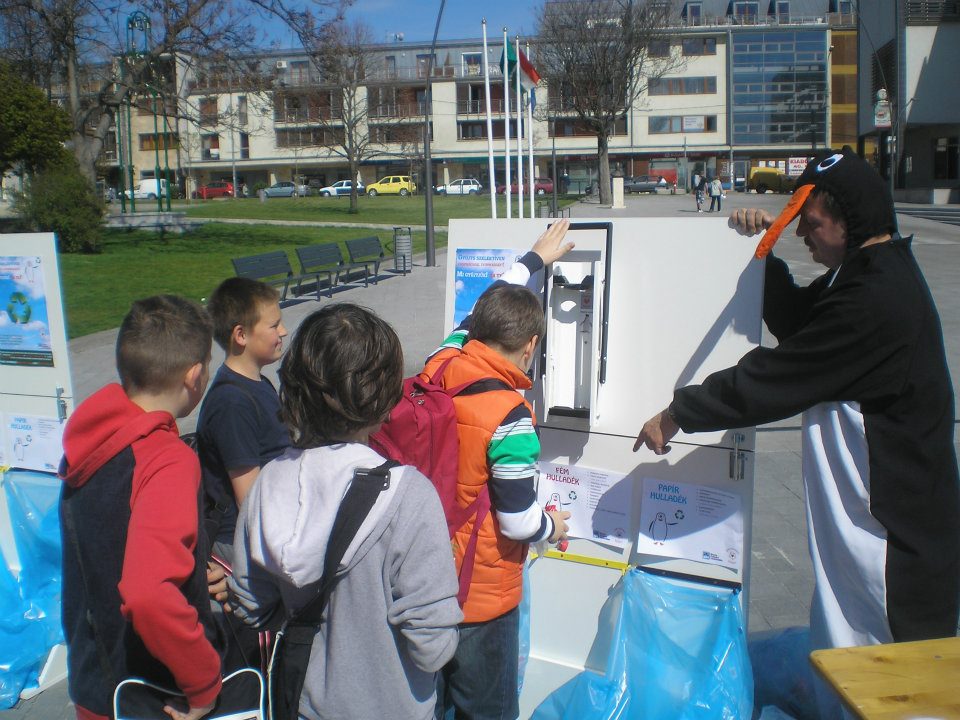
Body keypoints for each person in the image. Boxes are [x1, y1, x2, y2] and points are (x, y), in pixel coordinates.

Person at [634, 148, 959, 716]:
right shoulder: (861, 277)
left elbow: (777, 376)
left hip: (893, 540)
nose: (803, 233)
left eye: (810, 222)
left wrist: (679, 412)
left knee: (885, 676)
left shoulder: (878, 300)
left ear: (849, 219)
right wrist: (766, 254)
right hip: (870, 524)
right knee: (846, 651)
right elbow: (798, 324)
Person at [229, 303, 462, 720]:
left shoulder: (267, 483)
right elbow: (433, 648)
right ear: (383, 396)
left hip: (303, 705)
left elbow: (252, 607)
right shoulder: (409, 496)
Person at [428, 221, 573, 720]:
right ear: (530, 347)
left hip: (424, 577)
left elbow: (478, 308)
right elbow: (517, 522)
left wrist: (533, 260)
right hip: (480, 599)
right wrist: (553, 526)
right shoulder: (511, 416)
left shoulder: (441, 361)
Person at [59, 295, 223, 720]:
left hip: (95, 681)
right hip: (152, 692)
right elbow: (148, 594)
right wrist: (203, 683)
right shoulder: (167, 459)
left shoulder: (89, 443)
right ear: (195, 376)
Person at [196, 277, 290, 565]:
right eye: (274, 325)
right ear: (241, 335)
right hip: (243, 542)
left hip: (271, 524)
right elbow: (249, 498)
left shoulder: (259, 384)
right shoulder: (232, 403)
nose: (283, 331)